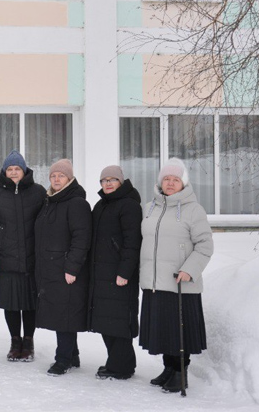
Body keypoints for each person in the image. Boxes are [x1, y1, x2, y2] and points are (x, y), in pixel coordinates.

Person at [140, 158, 214, 393]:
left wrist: (188, 270)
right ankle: (168, 369)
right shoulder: (150, 207)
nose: (170, 183)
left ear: (183, 184)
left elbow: (205, 245)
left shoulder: (193, 210)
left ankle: (181, 373)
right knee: (163, 330)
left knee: (180, 332)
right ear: (160, 182)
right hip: (155, 281)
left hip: (180, 281)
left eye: (175, 180)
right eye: (166, 179)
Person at [0, 150, 46, 362]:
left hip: (32, 259)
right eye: (10, 169)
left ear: (24, 170)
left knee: (29, 303)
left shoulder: (38, 193)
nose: (14, 172)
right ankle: (15, 340)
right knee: (11, 303)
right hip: (5, 260)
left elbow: (47, 225)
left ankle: (28, 341)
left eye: (17, 168)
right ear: (4, 172)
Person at [34, 159, 92, 376]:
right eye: (53, 176)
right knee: (61, 313)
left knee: (64, 314)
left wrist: (72, 268)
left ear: (70, 178)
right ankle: (72, 355)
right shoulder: (50, 201)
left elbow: (81, 238)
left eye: (61, 175)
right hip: (51, 268)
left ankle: (63, 359)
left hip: (66, 269)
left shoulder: (76, 203)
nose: (56, 179)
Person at [86, 165, 143, 380]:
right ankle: (116, 362)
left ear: (121, 181)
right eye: (104, 180)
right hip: (101, 273)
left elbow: (132, 243)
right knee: (105, 321)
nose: (108, 183)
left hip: (119, 275)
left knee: (118, 322)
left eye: (112, 179)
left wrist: (125, 272)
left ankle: (122, 367)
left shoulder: (129, 206)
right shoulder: (101, 205)